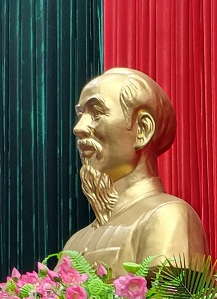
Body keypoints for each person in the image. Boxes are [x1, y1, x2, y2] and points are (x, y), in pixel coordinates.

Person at [63, 67, 208, 272]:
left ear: (143, 129)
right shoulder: (74, 244)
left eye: (96, 113)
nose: (78, 128)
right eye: (80, 114)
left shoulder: (166, 217)